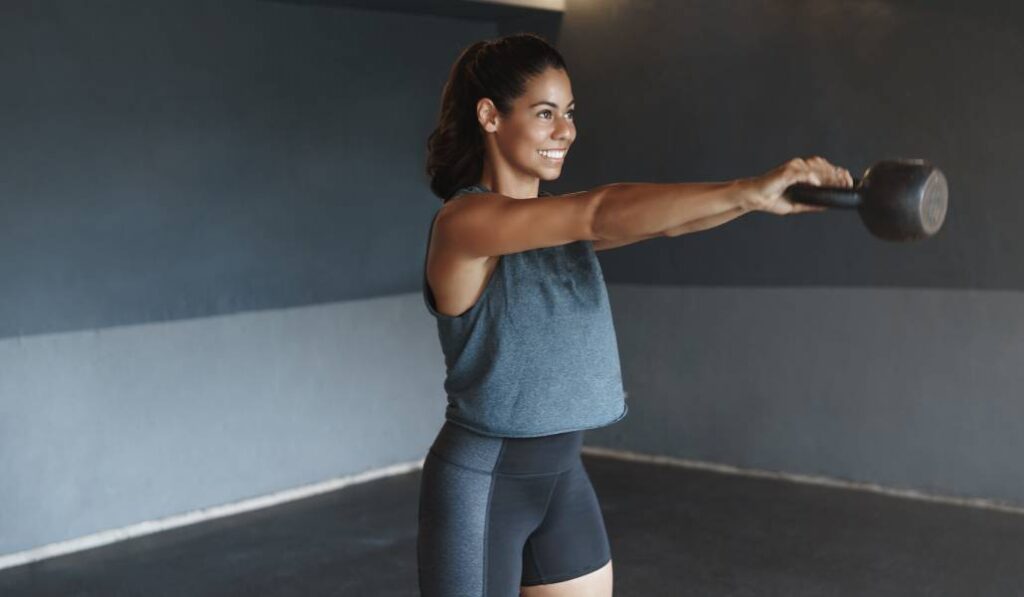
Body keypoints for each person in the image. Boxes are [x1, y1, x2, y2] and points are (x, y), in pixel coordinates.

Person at [417, 33, 852, 597]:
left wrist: (759, 201)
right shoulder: (464, 224)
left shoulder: (553, 227)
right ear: (490, 116)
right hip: (483, 485)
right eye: (545, 113)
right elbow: (598, 211)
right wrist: (748, 189)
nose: (566, 130)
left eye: (569, 113)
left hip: (562, 480)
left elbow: (670, 222)